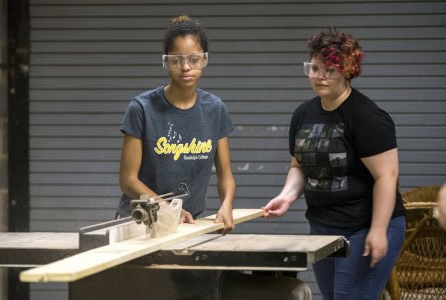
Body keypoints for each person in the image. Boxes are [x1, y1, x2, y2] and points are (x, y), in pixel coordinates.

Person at [263, 28, 406, 299]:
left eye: (329, 69)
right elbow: (299, 165)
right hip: (323, 226)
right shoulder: (303, 114)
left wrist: (378, 230)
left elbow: (387, 176)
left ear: (348, 70)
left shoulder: (366, 116)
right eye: (314, 68)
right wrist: (287, 196)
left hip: (363, 226)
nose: (319, 76)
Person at [116, 15, 235, 235]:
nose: (186, 67)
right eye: (177, 60)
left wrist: (227, 205)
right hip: (139, 225)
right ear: (166, 61)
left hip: (188, 226)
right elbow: (127, 180)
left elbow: (225, 173)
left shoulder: (215, 108)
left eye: (194, 59)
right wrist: (166, 208)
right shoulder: (142, 108)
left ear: (205, 60)